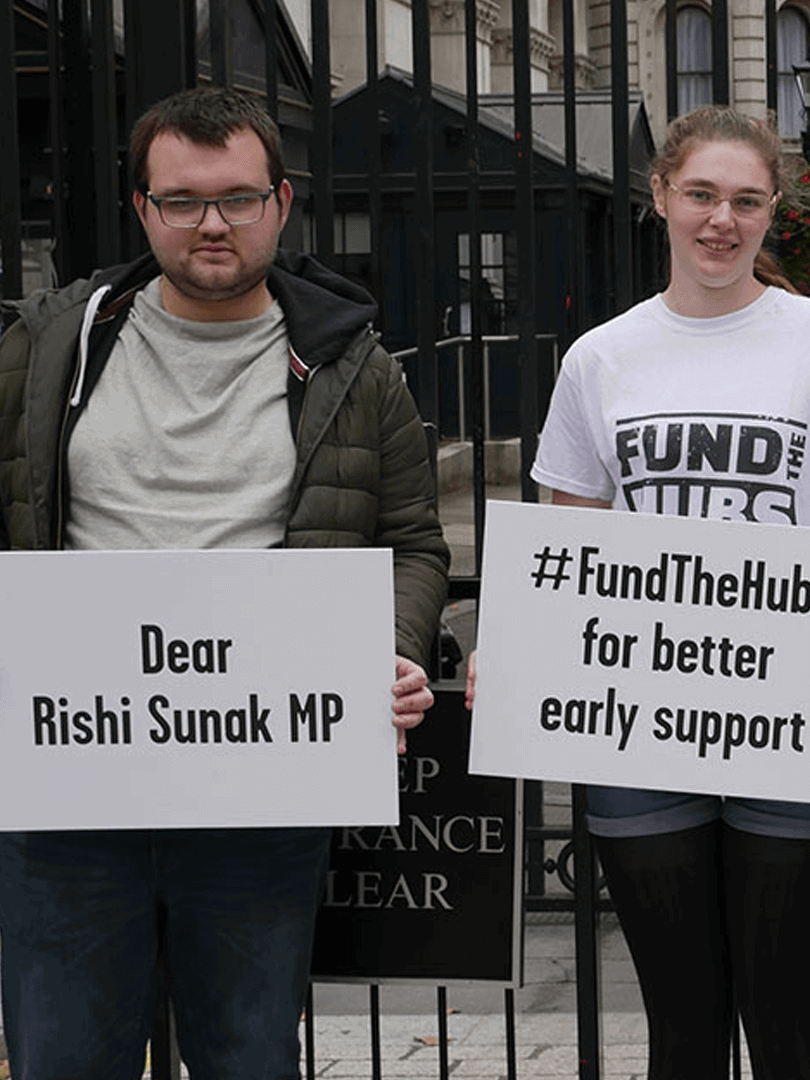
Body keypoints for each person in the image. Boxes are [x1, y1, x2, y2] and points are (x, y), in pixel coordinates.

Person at [0, 87, 449, 1078]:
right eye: (184, 200)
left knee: (248, 1058)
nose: (213, 223)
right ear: (142, 209)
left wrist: (398, 649)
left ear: (282, 205)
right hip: (72, 789)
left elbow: (415, 541)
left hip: (263, 785)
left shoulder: (352, 368)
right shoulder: (46, 350)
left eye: (239, 198)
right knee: (62, 1059)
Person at [470, 104, 810, 1080]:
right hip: (639, 715)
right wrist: (516, 648)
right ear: (661, 195)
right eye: (703, 195)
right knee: (680, 1026)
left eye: (747, 201)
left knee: (787, 1019)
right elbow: (567, 542)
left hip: (791, 710)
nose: (723, 220)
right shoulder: (601, 357)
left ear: (772, 212)